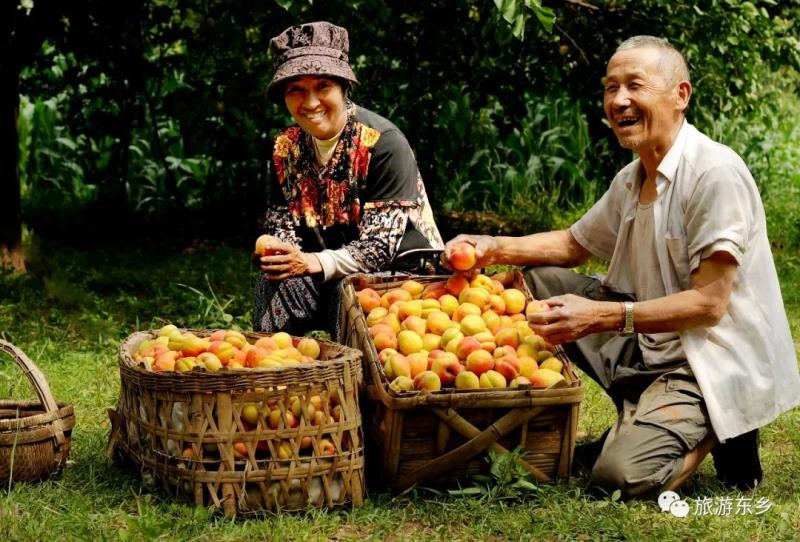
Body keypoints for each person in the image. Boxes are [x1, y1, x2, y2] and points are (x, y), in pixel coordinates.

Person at [443, 36, 800, 500]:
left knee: (616, 477)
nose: (619, 100)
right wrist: (493, 247)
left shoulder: (715, 175)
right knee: (536, 280)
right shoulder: (633, 177)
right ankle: (649, 413)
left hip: (709, 358)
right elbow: (574, 244)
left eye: (634, 85)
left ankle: (720, 423)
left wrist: (600, 317)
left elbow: (710, 305)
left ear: (681, 95)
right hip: (652, 344)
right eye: (611, 88)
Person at [253, 21, 443, 334]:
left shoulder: (382, 142)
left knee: (349, 292)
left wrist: (313, 263)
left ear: (344, 87)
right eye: (296, 90)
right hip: (326, 269)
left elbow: (379, 249)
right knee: (273, 277)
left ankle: (351, 374)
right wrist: (279, 252)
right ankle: (277, 367)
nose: (310, 102)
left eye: (322, 86)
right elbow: (280, 226)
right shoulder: (286, 148)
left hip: (400, 278)